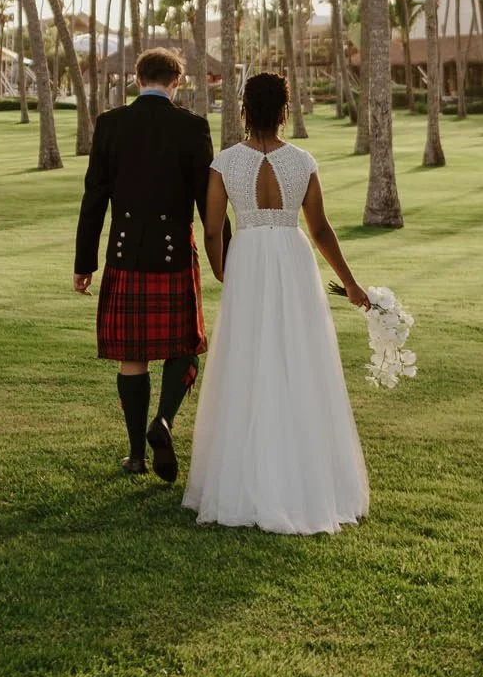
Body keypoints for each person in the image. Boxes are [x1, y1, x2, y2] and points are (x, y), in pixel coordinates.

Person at [183, 70, 371, 535]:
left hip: (245, 256)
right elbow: (321, 230)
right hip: (292, 258)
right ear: (284, 110)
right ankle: (304, 475)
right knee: (298, 357)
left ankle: (245, 476)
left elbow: (209, 229)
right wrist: (351, 283)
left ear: (244, 108)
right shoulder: (302, 161)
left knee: (246, 360)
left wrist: (223, 269)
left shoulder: (225, 163)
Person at [73, 46, 216, 480]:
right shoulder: (192, 128)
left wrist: (85, 262)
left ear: (137, 80)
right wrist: (228, 258)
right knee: (185, 347)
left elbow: (95, 196)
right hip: (174, 255)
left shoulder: (111, 124)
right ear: (177, 82)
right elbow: (208, 204)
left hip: (124, 254)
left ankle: (136, 454)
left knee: (131, 357)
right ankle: (164, 422)